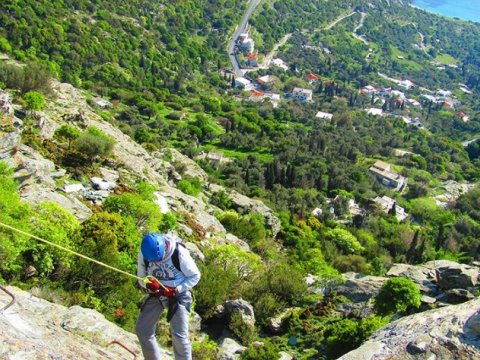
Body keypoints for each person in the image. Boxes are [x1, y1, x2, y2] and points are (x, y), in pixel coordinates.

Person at [136, 233, 201, 360]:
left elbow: (195, 275)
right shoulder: (144, 254)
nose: (156, 263)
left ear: (164, 248)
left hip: (178, 295)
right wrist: (149, 285)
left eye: (159, 259)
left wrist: (177, 289)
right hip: (157, 294)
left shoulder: (178, 253)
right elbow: (141, 278)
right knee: (142, 329)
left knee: (179, 336)